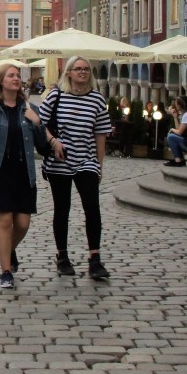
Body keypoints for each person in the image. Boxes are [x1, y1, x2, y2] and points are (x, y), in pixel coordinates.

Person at [0, 64, 46, 290]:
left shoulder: (30, 108)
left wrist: (38, 123)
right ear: (1, 81)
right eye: (11, 75)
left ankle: (8, 249)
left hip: (24, 173)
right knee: (4, 222)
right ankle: (6, 271)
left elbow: (42, 146)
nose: (16, 78)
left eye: (18, 75)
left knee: (22, 224)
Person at [39, 56, 112, 280]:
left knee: (92, 207)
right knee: (62, 208)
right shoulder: (57, 95)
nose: (83, 72)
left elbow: (101, 133)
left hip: (86, 159)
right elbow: (39, 123)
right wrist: (54, 142)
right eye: (78, 69)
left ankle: (95, 258)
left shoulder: (96, 99)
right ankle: (62, 256)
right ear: (69, 72)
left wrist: (99, 164)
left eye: (86, 69)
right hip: (59, 160)